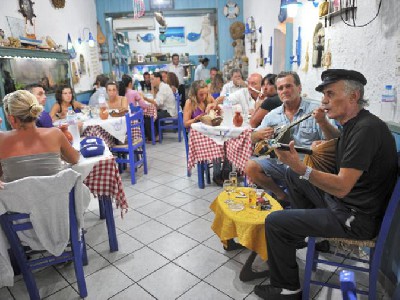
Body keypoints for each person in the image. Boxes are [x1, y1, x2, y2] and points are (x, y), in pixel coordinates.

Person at [254, 69, 398, 300]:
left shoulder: (366, 130)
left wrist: (302, 167)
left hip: (355, 218)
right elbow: (337, 142)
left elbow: (342, 186)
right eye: (323, 95)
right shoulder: (356, 124)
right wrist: (322, 125)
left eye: (330, 94)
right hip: (345, 204)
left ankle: (287, 289)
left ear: (354, 96)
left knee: (275, 221)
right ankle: (310, 233)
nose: (324, 100)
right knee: (292, 176)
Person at [244, 71, 340, 205]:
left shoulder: (316, 109)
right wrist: (258, 135)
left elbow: (335, 141)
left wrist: (323, 122)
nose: (284, 91)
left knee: (294, 174)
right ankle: (282, 196)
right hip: (281, 163)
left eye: (288, 86)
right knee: (250, 166)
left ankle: (300, 208)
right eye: (280, 88)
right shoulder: (273, 115)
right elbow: (252, 138)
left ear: (299, 88)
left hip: (308, 165)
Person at [0, 90, 79, 183]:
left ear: (11, 119)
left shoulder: (2, 140)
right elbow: (74, 158)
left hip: (18, 197)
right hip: (55, 196)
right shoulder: (55, 134)